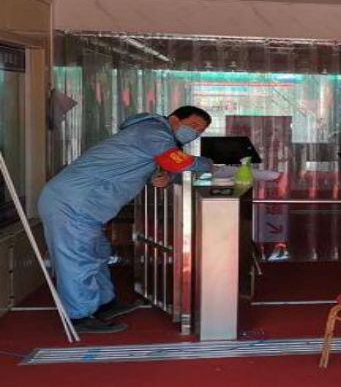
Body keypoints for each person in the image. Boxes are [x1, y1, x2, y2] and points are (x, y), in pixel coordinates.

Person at [38, 106, 214, 333]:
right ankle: (79, 317)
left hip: (84, 204)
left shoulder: (152, 135)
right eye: (193, 126)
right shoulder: (153, 131)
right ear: (173, 119)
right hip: (72, 202)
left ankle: (104, 304)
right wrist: (210, 164)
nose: (195, 133)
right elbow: (177, 162)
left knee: (97, 254)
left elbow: (150, 168)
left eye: (200, 131)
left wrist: (166, 177)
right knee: (77, 259)